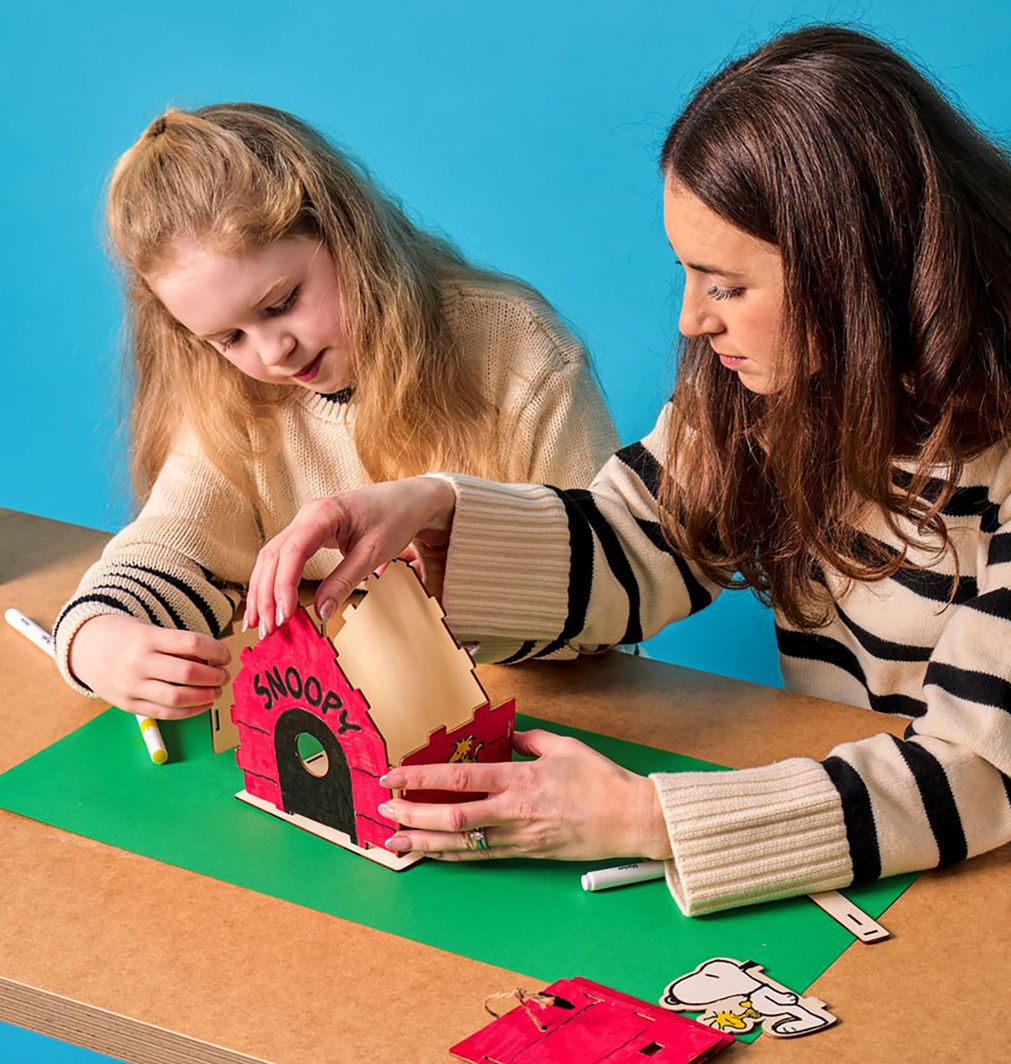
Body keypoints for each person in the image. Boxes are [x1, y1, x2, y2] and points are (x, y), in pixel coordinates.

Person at [243, 25, 1011, 918]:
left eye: (726, 285)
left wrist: (644, 817)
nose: (690, 321)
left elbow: (977, 769)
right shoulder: (779, 383)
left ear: (859, 269)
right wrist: (433, 510)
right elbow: (639, 543)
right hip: (870, 843)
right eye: (688, 274)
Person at [54, 103, 618, 716]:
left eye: (282, 303)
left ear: (344, 231)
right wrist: (96, 641)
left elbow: (613, 591)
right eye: (229, 338)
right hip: (347, 719)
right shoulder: (232, 397)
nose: (273, 352)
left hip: (544, 708)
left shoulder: (519, 353)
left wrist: (458, 575)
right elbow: (173, 549)